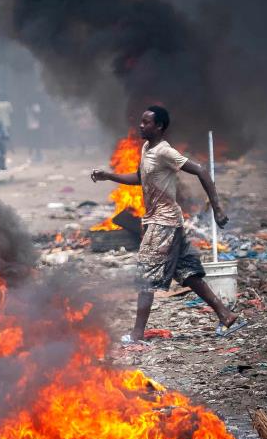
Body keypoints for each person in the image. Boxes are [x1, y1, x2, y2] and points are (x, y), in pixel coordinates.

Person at [91, 106, 243, 341]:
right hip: (168, 222)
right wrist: (109, 176)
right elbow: (140, 178)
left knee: (145, 275)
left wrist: (217, 207)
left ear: (159, 126)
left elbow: (201, 170)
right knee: (188, 274)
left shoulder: (165, 152)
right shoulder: (146, 148)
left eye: (146, 123)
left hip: (163, 223)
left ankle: (136, 334)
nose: (141, 126)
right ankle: (225, 315)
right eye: (141, 122)